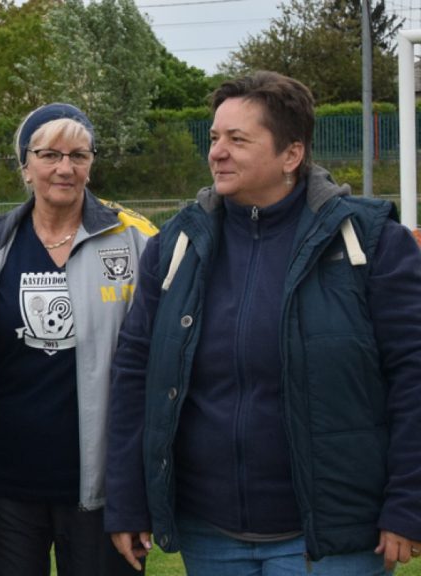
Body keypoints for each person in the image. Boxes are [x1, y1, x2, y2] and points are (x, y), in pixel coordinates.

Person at [105, 71, 421, 575]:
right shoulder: (175, 245)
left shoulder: (372, 241)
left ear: (291, 155)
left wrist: (409, 500)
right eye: (213, 138)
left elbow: (413, 376)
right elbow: (134, 374)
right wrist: (125, 497)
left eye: (237, 139)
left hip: (332, 540)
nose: (217, 152)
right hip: (210, 536)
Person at [0, 103, 156, 575]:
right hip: (4, 492)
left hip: (101, 495)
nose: (65, 168)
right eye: (49, 154)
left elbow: (155, 371)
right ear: (25, 166)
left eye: (79, 155)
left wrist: (139, 487)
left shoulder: (135, 244)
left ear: (92, 163)